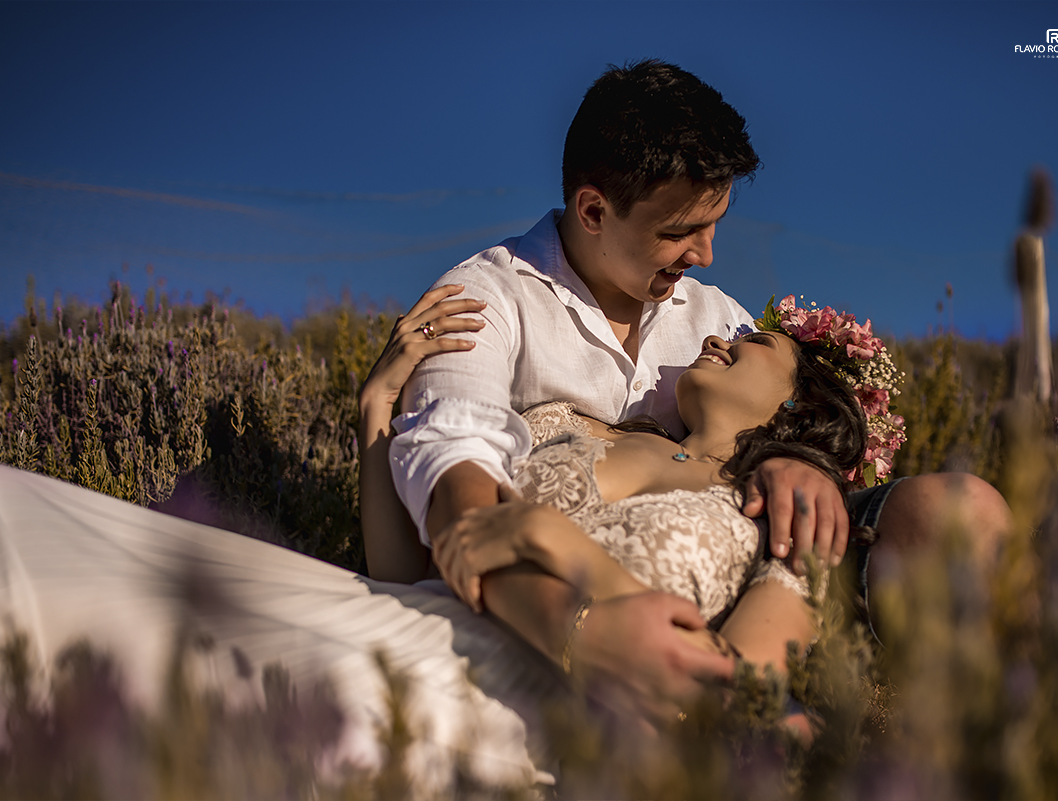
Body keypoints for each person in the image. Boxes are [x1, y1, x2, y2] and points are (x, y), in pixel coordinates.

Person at [0, 288, 892, 793]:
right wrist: (376, 412)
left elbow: (728, 698)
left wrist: (556, 546)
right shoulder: (566, 421)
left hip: (526, 706)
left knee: (101, 660)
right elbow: (404, 568)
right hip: (400, 615)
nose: (719, 338)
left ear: (798, 406)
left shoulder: (785, 532)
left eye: (752, 345)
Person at [383, 60, 1013, 709]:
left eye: (716, 223)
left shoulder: (718, 317)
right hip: (537, 620)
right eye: (679, 231)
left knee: (950, 515)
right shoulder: (484, 300)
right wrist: (584, 627)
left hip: (742, 601)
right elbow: (456, 475)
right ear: (593, 209)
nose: (706, 253)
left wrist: (804, 461)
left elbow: (800, 407)